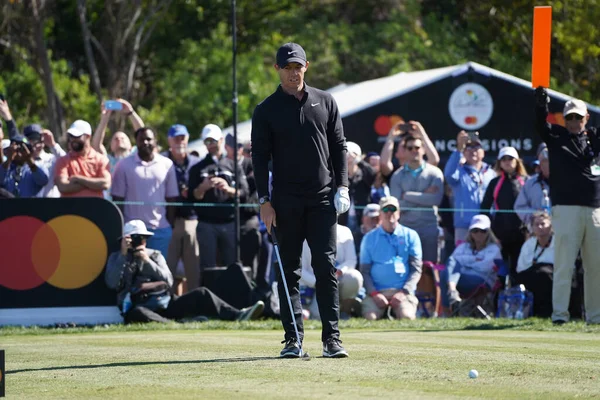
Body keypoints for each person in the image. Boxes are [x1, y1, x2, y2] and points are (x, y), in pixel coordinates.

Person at [251, 42, 350, 358]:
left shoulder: (325, 101)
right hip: (284, 202)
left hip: (322, 200)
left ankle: (331, 339)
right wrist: (264, 200)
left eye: (298, 67)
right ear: (277, 69)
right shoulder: (266, 110)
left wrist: (343, 187)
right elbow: (258, 159)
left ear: (306, 66)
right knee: (288, 272)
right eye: (287, 67)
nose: (293, 73)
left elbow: (339, 147)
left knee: (325, 266)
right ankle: (293, 340)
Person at [105, 220, 264, 324]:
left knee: (201, 293)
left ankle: (238, 315)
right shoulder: (117, 257)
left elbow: (168, 280)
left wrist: (147, 262)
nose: (140, 242)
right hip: (139, 305)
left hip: (165, 302)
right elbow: (111, 283)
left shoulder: (154, 255)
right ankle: (180, 323)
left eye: (143, 238)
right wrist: (124, 257)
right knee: (137, 314)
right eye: (135, 238)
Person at [535, 87, 600, 324]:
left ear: (586, 118)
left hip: (595, 210)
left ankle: (595, 317)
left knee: (596, 268)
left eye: (578, 117)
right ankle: (560, 316)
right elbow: (540, 124)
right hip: (566, 209)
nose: (573, 121)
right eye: (569, 117)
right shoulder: (556, 136)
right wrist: (541, 105)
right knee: (563, 265)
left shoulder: (595, 137)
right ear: (564, 118)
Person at [111, 127, 179, 258]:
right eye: (141, 139)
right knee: (133, 274)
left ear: (155, 141)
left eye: (149, 139)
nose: (145, 142)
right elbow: (117, 199)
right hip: (133, 231)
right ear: (136, 142)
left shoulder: (167, 164)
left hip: (161, 231)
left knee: (157, 272)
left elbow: (172, 198)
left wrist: (169, 226)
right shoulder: (123, 165)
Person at [188, 129, 249, 270]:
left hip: (230, 223)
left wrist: (228, 189)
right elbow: (193, 197)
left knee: (232, 265)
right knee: (208, 267)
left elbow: (244, 192)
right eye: (207, 141)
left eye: (214, 141)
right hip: (206, 224)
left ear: (221, 140)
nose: (211, 145)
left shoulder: (233, 165)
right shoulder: (197, 168)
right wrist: (203, 187)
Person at [359, 196, 423, 321]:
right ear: (380, 215)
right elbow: (364, 271)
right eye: (386, 210)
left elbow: (416, 269)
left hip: (402, 292)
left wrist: (404, 292)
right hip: (377, 293)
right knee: (370, 318)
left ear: (398, 213)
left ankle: (394, 312)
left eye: (393, 209)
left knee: (407, 317)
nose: (389, 213)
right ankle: (384, 313)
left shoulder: (411, 235)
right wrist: (374, 294)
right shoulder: (369, 238)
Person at [389, 134, 444, 263]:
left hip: (429, 228)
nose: (414, 150)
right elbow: (398, 207)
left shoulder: (435, 173)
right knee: (406, 267)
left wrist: (407, 195)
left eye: (417, 147)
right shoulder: (397, 176)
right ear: (405, 151)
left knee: (430, 270)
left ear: (423, 149)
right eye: (410, 148)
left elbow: (436, 200)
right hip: (405, 228)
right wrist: (424, 196)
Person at [162, 124, 201, 292]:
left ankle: (194, 303)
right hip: (168, 221)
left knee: (193, 269)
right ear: (169, 140)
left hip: (192, 220)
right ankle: (166, 304)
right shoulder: (161, 161)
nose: (180, 141)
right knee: (167, 267)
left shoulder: (196, 163)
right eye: (176, 138)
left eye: (182, 137)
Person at [439, 214, 502, 314]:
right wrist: (475, 260)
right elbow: (453, 260)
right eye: (475, 230)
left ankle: (447, 310)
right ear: (470, 232)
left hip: (482, 280)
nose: (479, 234)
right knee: (448, 267)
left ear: (489, 232)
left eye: (483, 231)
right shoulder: (463, 246)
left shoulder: (494, 249)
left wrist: (464, 263)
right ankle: (452, 291)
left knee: (445, 274)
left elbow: (485, 267)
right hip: (460, 278)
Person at [480, 146, 527, 280]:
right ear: (499, 163)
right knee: (501, 271)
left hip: (522, 234)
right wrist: (491, 232)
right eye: (504, 159)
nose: (507, 162)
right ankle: (499, 299)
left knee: (520, 269)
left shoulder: (526, 181)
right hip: (500, 235)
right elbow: (484, 209)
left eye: (510, 159)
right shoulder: (494, 183)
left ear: (517, 161)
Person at [300, 223, 363, 320]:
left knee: (354, 278)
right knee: (319, 317)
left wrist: (338, 271)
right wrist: (318, 282)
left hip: (339, 279)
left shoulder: (345, 231)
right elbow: (299, 269)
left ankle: (345, 311)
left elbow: (351, 260)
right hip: (314, 285)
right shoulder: (303, 232)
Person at [444, 130, 496, 244]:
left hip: (487, 226)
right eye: (468, 147)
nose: (472, 150)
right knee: (462, 258)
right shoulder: (459, 171)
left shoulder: (491, 173)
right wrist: (458, 149)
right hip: (464, 225)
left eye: (476, 147)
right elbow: (448, 175)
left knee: (486, 259)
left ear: (483, 152)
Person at [54, 119, 111, 198]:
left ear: (88, 136)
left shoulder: (100, 159)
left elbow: (105, 184)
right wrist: (94, 184)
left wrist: (78, 179)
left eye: (77, 136)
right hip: (69, 209)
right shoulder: (63, 161)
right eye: (71, 136)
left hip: (95, 209)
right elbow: (63, 187)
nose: (73, 139)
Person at [516, 211, 554, 318]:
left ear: (550, 226)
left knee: (544, 275)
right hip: (531, 277)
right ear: (532, 227)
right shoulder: (528, 244)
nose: (540, 227)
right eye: (536, 225)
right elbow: (521, 268)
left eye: (543, 224)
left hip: (552, 277)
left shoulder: (558, 243)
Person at [91, 99, 143, 171]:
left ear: (130, 145)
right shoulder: (108, 161)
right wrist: (104, 118)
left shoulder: (137, 154)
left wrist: (130, 112)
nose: (119, 139)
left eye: (122, 138)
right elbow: (96, 145)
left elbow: (143, 134)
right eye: (115, 139)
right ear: (111, 147)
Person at [338, 141, 376, 233]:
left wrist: (358, 159)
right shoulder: (339, 176)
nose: (348, 156)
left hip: (362, 220)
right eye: (346, 153)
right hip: (344, 220)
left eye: (352, 153)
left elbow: (373, 174)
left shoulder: (364, 174)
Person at [22, 124, 65, 198]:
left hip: (51, 205)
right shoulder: (22, 161)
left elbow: (66, 161)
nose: (36, 144)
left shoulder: (52, 159)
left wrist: (52, 145)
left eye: (39, 140)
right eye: (31, 140)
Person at [514, 147, 551, 229]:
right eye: (544, 161)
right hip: (537, 232)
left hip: (562, 229)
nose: (547, 165)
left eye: (550, 161)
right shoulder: (530, 183)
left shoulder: (566, 182)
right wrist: (536, 216)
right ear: (540, 164)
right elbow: (519, 207)